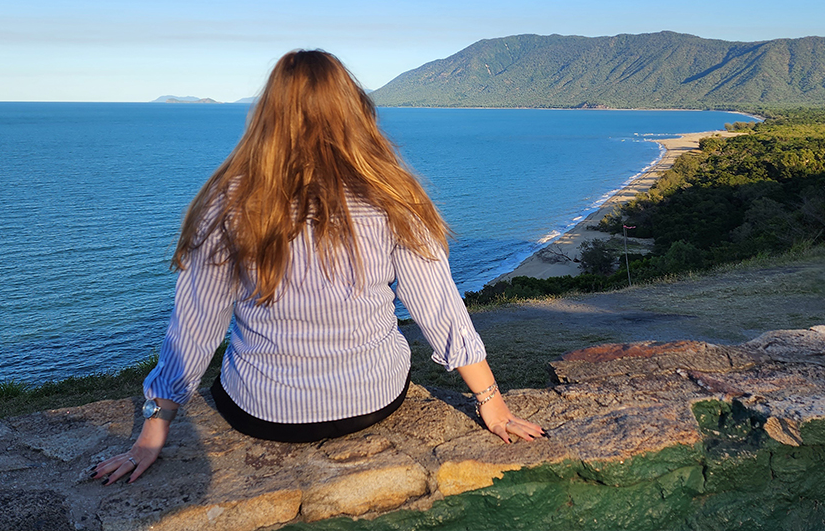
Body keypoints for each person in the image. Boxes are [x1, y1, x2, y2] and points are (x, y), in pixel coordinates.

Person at [92, 49, 544, 485]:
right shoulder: (393, 196)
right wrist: (492, 403)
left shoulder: (229, 203)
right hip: (375, 399)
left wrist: (152, 433)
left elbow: (195, 327)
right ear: (354, 111)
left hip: (265, 413)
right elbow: (439, 306)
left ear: (267, 115)